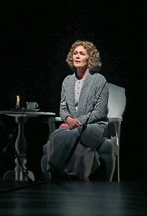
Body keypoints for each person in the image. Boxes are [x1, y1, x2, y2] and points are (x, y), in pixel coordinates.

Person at [41, 40, 109, 182]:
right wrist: (69, 120)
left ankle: (54, 169)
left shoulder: (99, 80)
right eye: (75, 53)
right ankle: (72, 175)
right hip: (73, 126)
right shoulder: (67, 81)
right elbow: (63, 108)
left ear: (90, 58)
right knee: (57, 134)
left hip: (94, 127)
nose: (77, 56)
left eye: (82, 53)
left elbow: (100, 112)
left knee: (65, 135)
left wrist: (76, 123)